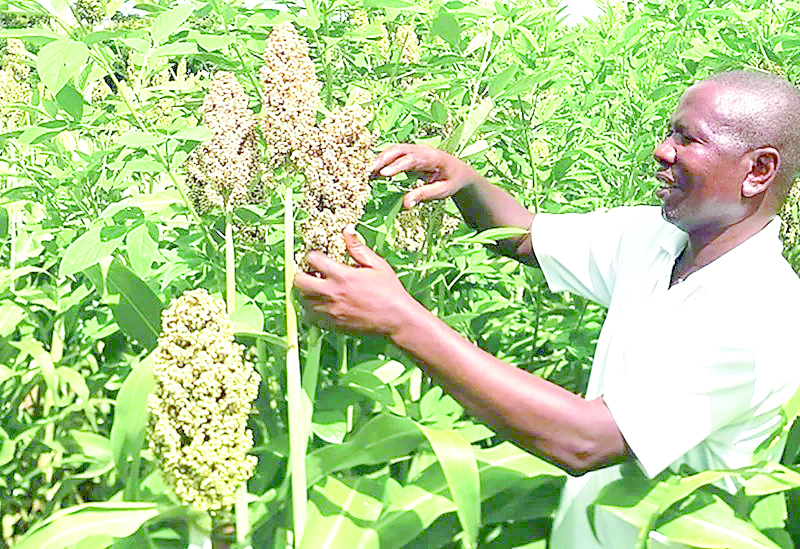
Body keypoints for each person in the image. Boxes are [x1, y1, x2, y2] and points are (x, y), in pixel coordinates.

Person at [293, 70, 800, 547]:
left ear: (758, 170)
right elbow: (526, 238)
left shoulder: (760, 313)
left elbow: (584, 441)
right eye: (669, 132)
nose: (661, 150)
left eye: (688, 139)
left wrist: (400, 319)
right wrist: (464, 181)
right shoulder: (659, 237)